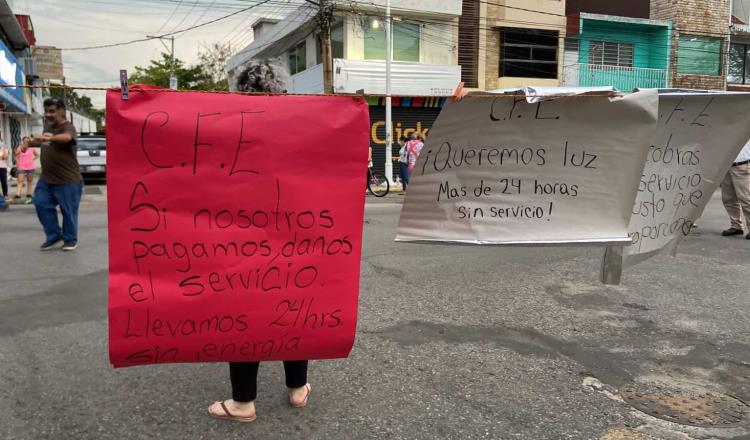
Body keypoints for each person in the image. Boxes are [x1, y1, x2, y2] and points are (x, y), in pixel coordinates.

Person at [207, 74, 311, 424]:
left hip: (241, 241)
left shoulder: (228, 133)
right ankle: (298, 388)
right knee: (292, 308)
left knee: (244, 316)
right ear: (280, 91)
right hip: (296, 237)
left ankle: (243, 402)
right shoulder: (301, 129)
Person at [29, 97, 83, 251]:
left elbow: (67, 138)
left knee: (68, 212)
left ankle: (70, 239)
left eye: (52, 111)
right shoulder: (48, 126)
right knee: (41, 204)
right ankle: (54, 236)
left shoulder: (68, 126)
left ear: (61, 112)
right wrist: (27, 143)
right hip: (47, 179)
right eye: (46, 111)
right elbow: (43, 142)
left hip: (68, 180)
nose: (48, 114)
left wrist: (49, 137)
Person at [720, 139, 750, 239]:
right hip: (726, 165)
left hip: (742, 165)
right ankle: (736, 225)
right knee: (728, 198)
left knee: (745, 198)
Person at [14, 137, 39, 204]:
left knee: (29, 181)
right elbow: (16, 156)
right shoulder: (19, 148)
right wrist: (17, 164)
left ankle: (29, 194)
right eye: (25, 140)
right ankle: (18, 194)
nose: (26, 142)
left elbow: (37, 155)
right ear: (22, 141)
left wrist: (32, 159)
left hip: (30, 167)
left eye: (27, 141)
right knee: (20, 181)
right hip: (21, 167)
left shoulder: (32, 148)